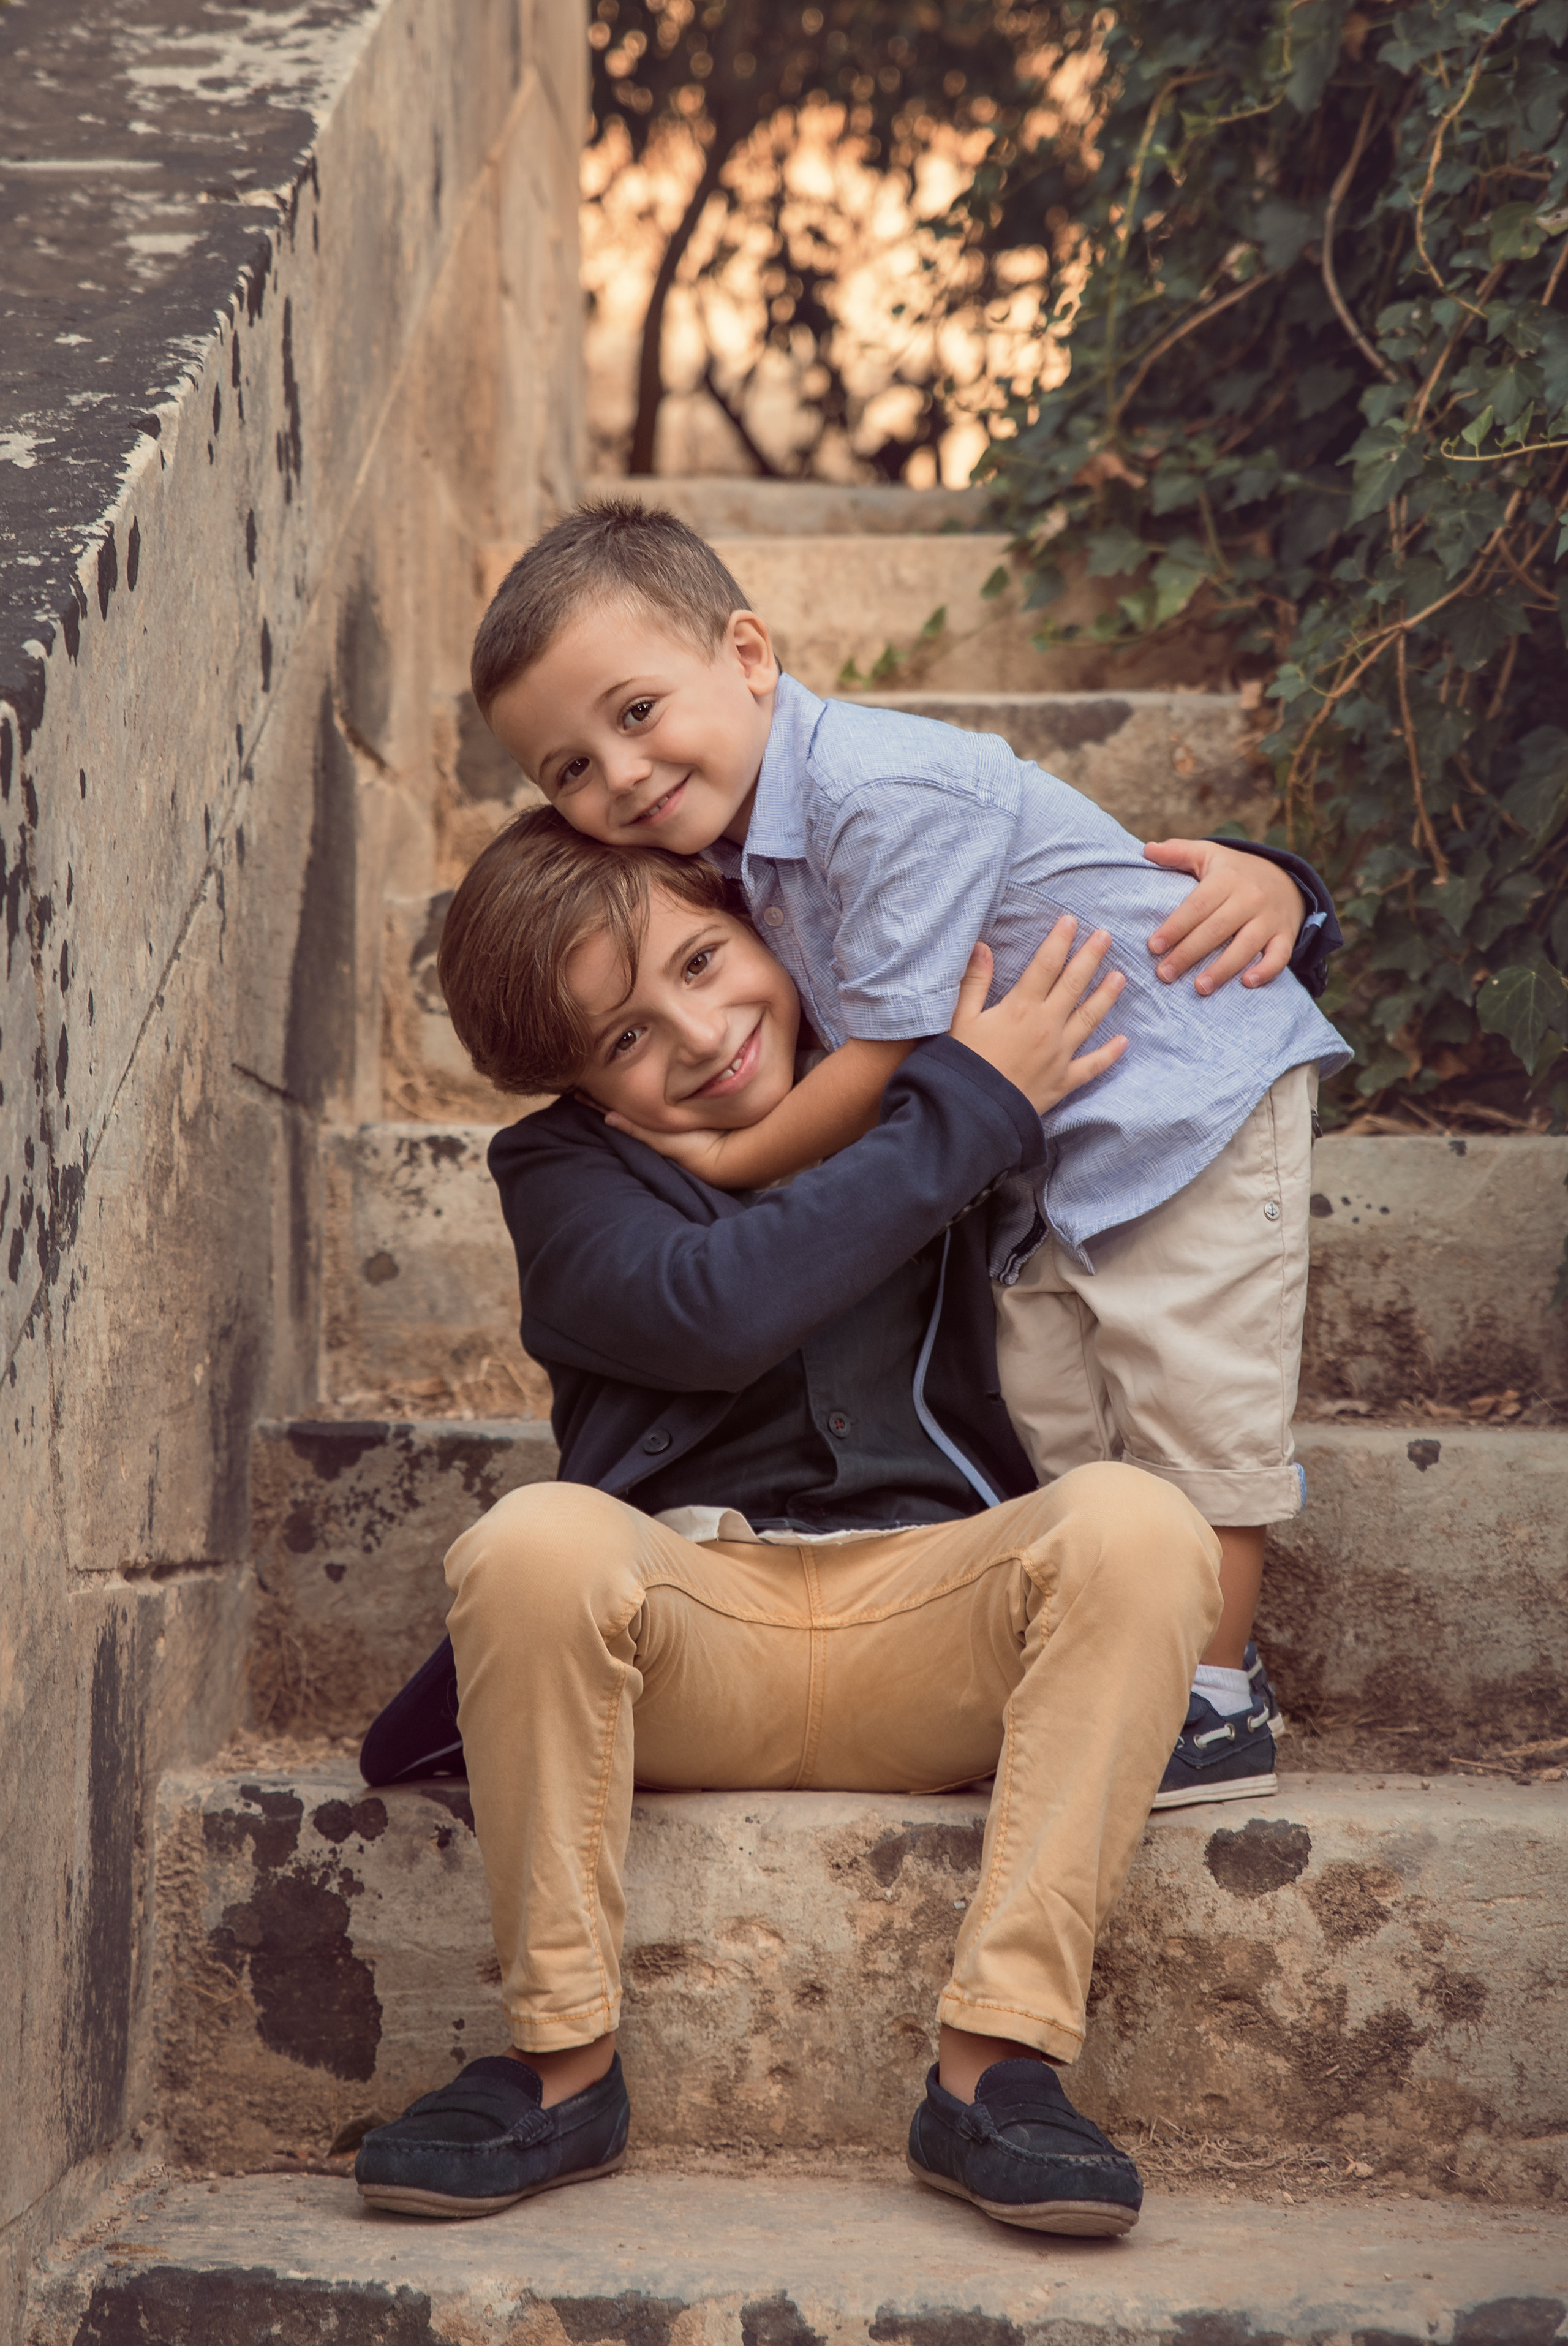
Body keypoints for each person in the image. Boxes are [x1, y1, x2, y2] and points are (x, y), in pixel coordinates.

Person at [354, 814, 1231, 2235]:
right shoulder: (564, 1173)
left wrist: (1270, 888)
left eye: (703, 962)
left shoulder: (897, 1060)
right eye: (626, 1038)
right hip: (688, 1644)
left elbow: (1053, 884)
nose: (699, 1036)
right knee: (532, 1540)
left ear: (762, 920)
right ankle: (561, 2068)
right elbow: (716, 1311)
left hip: (940, 1633)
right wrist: (969, 1109)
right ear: (578, 1085)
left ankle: (994, 2070)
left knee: (1138, 1525)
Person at [466, 502, 1351, 1806]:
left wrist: (1283, 891)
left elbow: (904, 1045)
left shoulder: (871, 794)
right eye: (569, 770)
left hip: (1178, 1109)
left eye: (638, 713)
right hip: (1061, 1158)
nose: (622, 776)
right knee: (1055, 1404)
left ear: (749, 655)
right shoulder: (730, 868)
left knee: (1190, 1396)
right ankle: (1133, 1640)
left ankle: (1214, 1689)